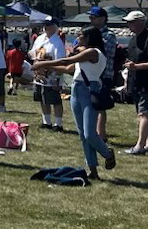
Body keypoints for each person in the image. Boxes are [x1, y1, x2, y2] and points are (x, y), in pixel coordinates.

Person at [32, 25, 117, 180]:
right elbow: (69, 68)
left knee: (90, 133)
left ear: (89, 38)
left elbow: (67, 60)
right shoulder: (84, 53)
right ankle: (93, 170)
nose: (77, 38)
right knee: (82, 135)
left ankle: (107, 153)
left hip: (90, 90)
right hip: (77, 89)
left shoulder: (93, 52)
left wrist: (42, 64)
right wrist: (50, 69)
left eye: (80, 36)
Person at [122, 10, 148, 155]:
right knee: (144, 114)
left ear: (141, 22)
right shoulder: (134, 39)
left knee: (143, 113)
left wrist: (136, 66)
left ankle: (139, 146)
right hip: (135, 81)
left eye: (131, 22)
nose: (129, 25)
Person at [30, 17, 67, 131]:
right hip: (39, 74)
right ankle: (46, 121)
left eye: (49, 25)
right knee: (42, 98)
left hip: (52, 75)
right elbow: (32, 52)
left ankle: (58, 123)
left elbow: (60, 60)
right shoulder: (40, 38)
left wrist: (57, 78)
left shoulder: (57, 42)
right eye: (45, 25)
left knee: (55, 100)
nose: (46, 27)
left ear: (55, 27)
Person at [89, 6, 117, 140]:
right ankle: (91, 131)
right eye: (90, 17)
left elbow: (107, 52)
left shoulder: (109, 35)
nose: (91, 20)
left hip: (104, 74)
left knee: (100, 105)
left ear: (102, 19)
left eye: (93, 17)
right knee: (91, 104)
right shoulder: (90, 33)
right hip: (91, 74)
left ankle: (101, 134)